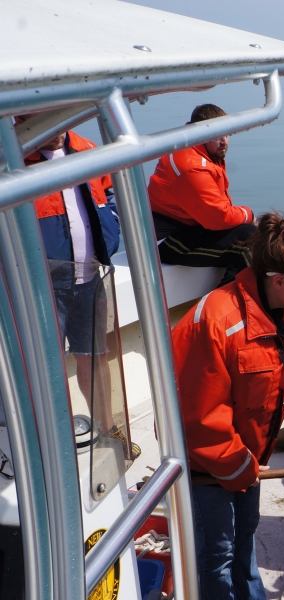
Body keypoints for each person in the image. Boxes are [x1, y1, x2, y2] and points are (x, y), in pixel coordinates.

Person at [171, 213, 284, 600]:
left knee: (246, 532)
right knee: (218, 551)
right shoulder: (214, 323)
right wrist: (239, 467)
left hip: (249, 459)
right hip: (208, 466)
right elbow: (198, 419)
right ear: (279, 281)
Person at [15, 115, 135, 455]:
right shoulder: (11, 160)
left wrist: (110, 227)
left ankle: (109, 430)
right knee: (43, 363)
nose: (53, 133)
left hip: (90, 277)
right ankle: (53, 441)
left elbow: (109, 194)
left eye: (59, 122)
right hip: (40, 285)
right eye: (42, 123)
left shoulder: (86, 150)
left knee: (95, 358)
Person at [147, 104, 256, 286]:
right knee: (251, 240)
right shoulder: (192, 164)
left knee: (253, 235)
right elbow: (219, 217)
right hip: (166, 242)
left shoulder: (199, 152)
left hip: (187, 228)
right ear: (198, 133)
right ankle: (230, 303)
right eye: (217, 136)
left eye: (227, 134)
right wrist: (248, 214)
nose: (224, 141)